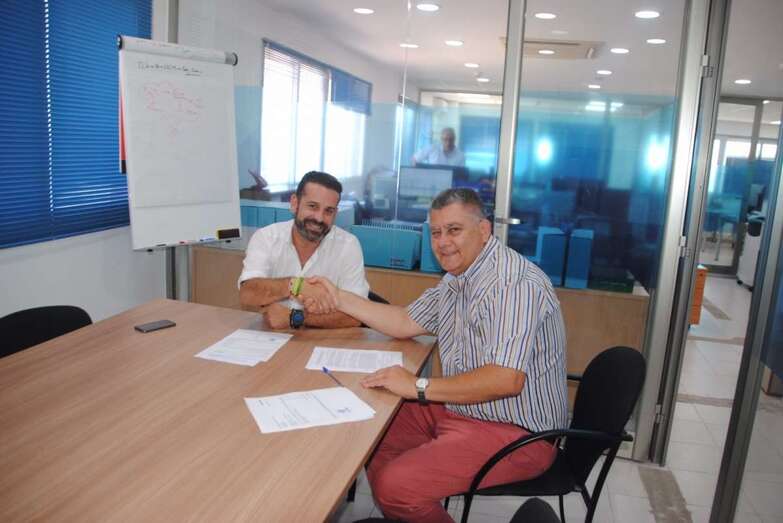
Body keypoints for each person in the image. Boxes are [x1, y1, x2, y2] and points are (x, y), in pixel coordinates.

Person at [305, 188, 568, 523]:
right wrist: (337, 296)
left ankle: (404, 498)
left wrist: (418, 386)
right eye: (436, 232)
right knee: (372, 430)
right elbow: (403, 321)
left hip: (518, 432)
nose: (443, 242)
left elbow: (506, 379)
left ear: (484, 231)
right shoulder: (458, 279)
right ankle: (410, 510)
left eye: (454, 230)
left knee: (395, 486)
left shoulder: (512, 284)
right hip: (466, 409)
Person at [238, 170, 369, 329]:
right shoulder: (266, 237)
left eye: (328, 211)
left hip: (325, 342)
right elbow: (247, 293)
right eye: (312, 206)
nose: (319, 218)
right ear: (294, 203)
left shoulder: (348, 246)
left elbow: (357, 316)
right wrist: (296, 285)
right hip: (274, 340)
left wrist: (294, 317)